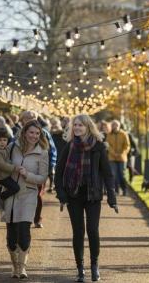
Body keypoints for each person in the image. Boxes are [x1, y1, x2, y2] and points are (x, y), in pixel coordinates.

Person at [55, 114, 117, 282]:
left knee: (92, 230)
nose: (77, 128)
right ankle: (80, 268)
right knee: (78, 232)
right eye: (75, 125)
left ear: (88, 127)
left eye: (80, 125)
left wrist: (112, 197)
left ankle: (94, 266)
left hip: (93, 194)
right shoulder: (69, 146)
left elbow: (107, 173)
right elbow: (59, 171)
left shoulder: (99, 147)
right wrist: (61, 193)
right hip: (73, 194)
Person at [2, 119, 48, 279]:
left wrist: (27, 174)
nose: (34, 136)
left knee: (23, 230)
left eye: (37, 133)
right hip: (10, 194)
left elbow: (42, 178)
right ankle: (14, 267)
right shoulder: (12, 147)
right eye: (31, 132)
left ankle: (22, 268)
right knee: (11, 234)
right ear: (24, 132)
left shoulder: (42, 152)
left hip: (28, 194)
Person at [107, 120, 130, 196]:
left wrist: (121, 153)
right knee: (114, 174)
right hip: (112, 158)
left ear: (119, 126)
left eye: (116, 125)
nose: (115, 127)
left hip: (122, 158)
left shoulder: (124, 134)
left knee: (122, 174)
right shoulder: (109, 135)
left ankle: (124, 189)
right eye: (113, 125)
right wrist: (114, 153)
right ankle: (116, 190)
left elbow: (127, 145)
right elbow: (108, 145)